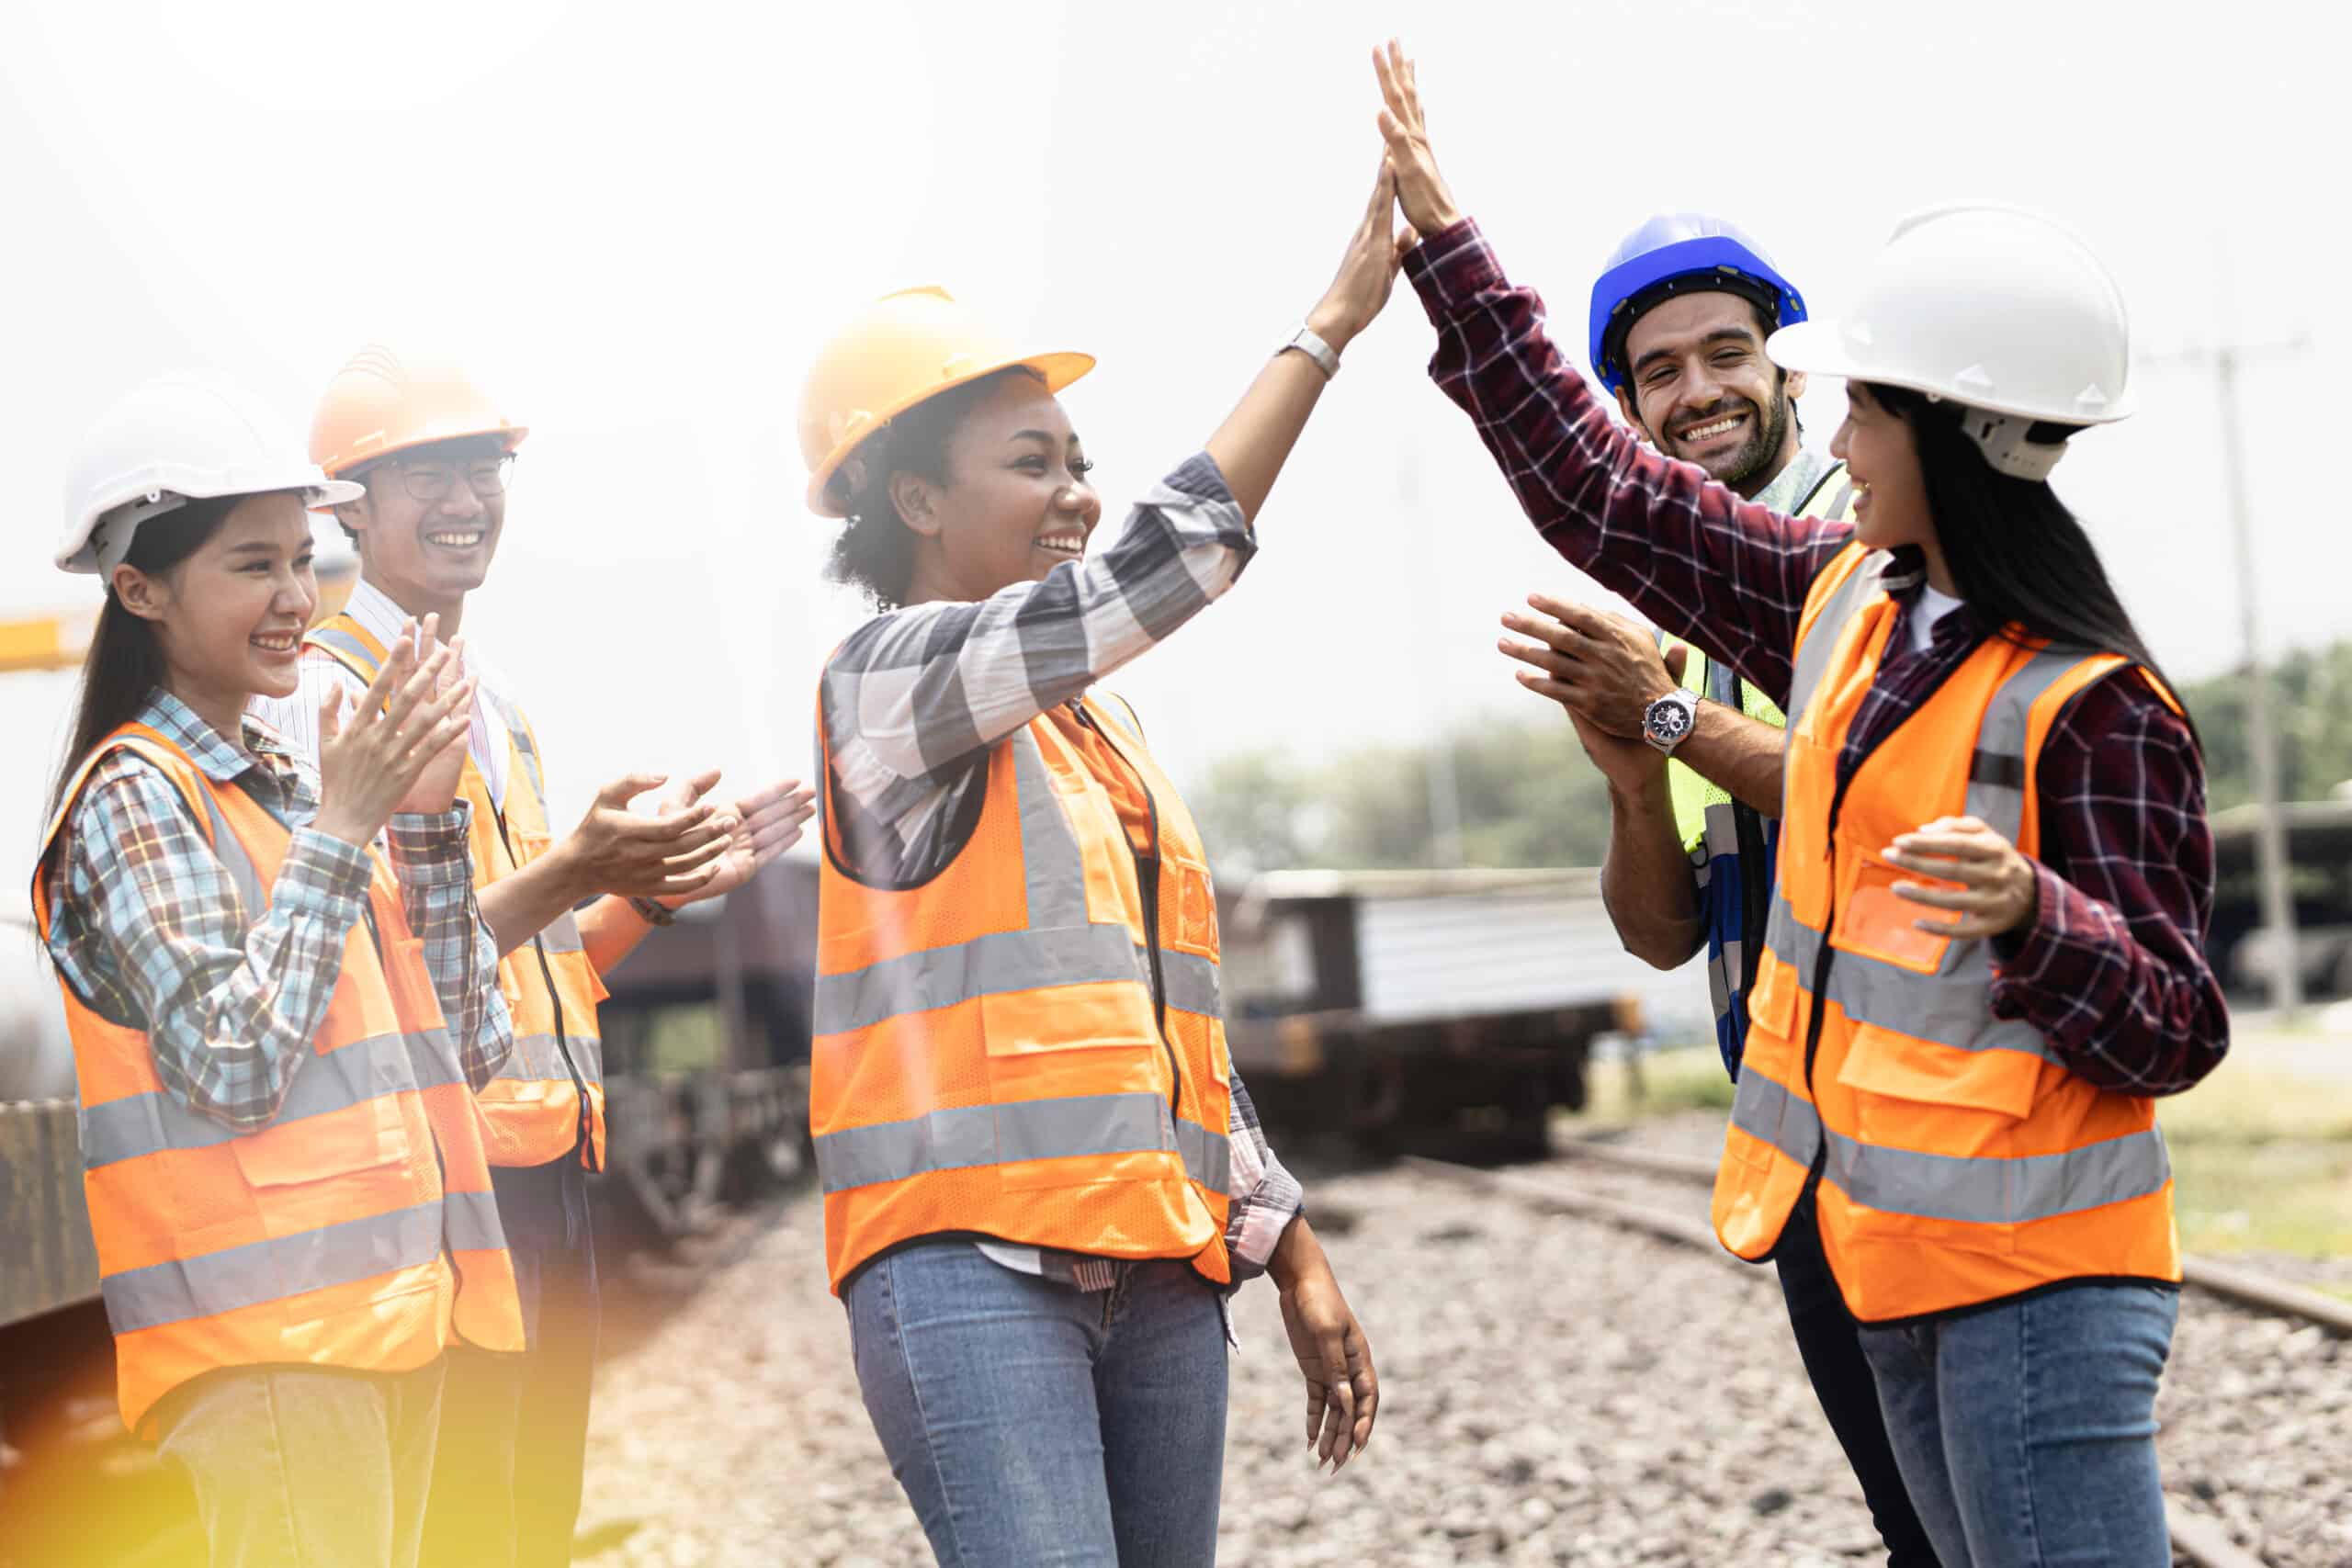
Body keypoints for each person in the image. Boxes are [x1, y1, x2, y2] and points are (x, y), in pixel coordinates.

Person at [1374, 41, 2227, 1565]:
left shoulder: (2095, 709)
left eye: (1864, 415)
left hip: (2035, 1285)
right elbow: (1604, 497)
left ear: (1955, 444)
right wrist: (1449, 249)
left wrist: (2041, 917)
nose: (1830, 442)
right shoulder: (1845, 611)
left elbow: (2177, 1022)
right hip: (1885, 1259)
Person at [799, 165, 1405, 1566]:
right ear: (915, 499)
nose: (1076, 492)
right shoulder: (882, 684)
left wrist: (1289, 1246)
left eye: (1080, 460)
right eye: (1033, 463)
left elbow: (1158, 1028)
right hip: (973, 1275)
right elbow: (1158, 567)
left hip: (1158, 1275)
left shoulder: (1095, 734)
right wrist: (1324, 331)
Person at [248, 347, 816, 1568]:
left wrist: (658, 891)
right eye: (425, 475)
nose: (464, 498)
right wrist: (580, 865)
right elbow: (367, 959)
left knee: (530, 1520)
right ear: (343, 505)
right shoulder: (321, 698)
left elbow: (537, 956)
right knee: (461, 1523)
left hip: (548, 1161)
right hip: (437, 1176)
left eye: (481, 468)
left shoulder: (495, 703)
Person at [1498, 221, 1936, 1564]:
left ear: (1788, 373)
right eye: (1661, 373)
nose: (1700, 393)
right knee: (1911, 1510)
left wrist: (1676, 717)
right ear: (1629, 410)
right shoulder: (1679, 612)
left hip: (1916, 1102)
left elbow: (1863, 795)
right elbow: (1665, 932)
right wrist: (1636, 776)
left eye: (1726, 354)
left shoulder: (1864, 544)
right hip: (1796, 1127)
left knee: (1991, 1501)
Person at [34, 373, 526, 1568]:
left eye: (305, 561)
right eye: (255, 565)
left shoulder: (289, 795)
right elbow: (234, 1067)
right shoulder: (137, 797)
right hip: (269, 1355)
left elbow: (473, 1044)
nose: (299, 599)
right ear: (138, 587)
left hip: (388, 1326)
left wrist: (420, 822)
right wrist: (349, 830)